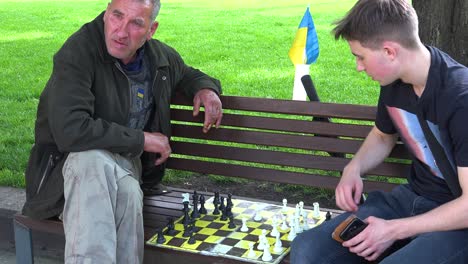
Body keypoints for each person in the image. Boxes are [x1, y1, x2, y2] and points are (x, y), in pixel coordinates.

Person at [21, 0, 222, 262]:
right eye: (117, 16)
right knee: (93, 163)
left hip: (126, 166)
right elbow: (71, 131)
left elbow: (187, 74)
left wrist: (206, 89)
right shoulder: (78, 52)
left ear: (151, 30)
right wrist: (142, 139)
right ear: (106, 13)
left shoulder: (158, 58)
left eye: (136, 23)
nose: (121, 31)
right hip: (64, 175)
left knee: (124, 188)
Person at [291, 0, 468, 263]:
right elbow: (383, 135)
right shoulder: (394, 82)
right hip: (411, 199)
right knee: (308, 251)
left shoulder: (460, 99)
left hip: (457, 221)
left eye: (360, 57)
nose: (358, 67)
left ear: (389, 51)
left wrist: (392, 230)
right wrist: (354, 168)